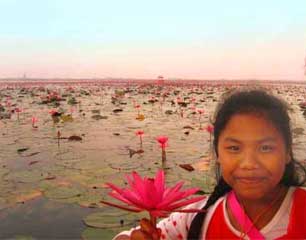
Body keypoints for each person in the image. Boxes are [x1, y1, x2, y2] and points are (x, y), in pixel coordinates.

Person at [114, 89, 306, 240]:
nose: (249, 164)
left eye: (265, 148)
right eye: (233, 148)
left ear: (288, 152)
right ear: (217, 154)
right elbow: (124, 237)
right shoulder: (197, 218)